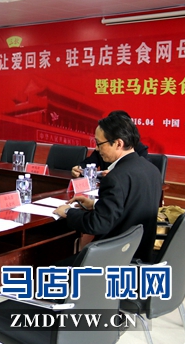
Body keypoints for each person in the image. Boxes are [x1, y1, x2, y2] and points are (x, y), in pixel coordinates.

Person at [54, 113, 161, 264]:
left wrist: (67, 212)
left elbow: (97, 224)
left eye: (99, 143)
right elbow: (131, 207)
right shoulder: (152, 170)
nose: (96, 149)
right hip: (139, 254)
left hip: (111, 260)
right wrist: (96, 204)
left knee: (42, 272)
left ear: (118, 143)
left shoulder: (115, 177)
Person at [72, 110, 148, 178]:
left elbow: (139, 173)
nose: (97, 148)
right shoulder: (102, 146)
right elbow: (89, 163)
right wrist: (79, 168)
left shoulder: (139, 150)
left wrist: (115, 174)